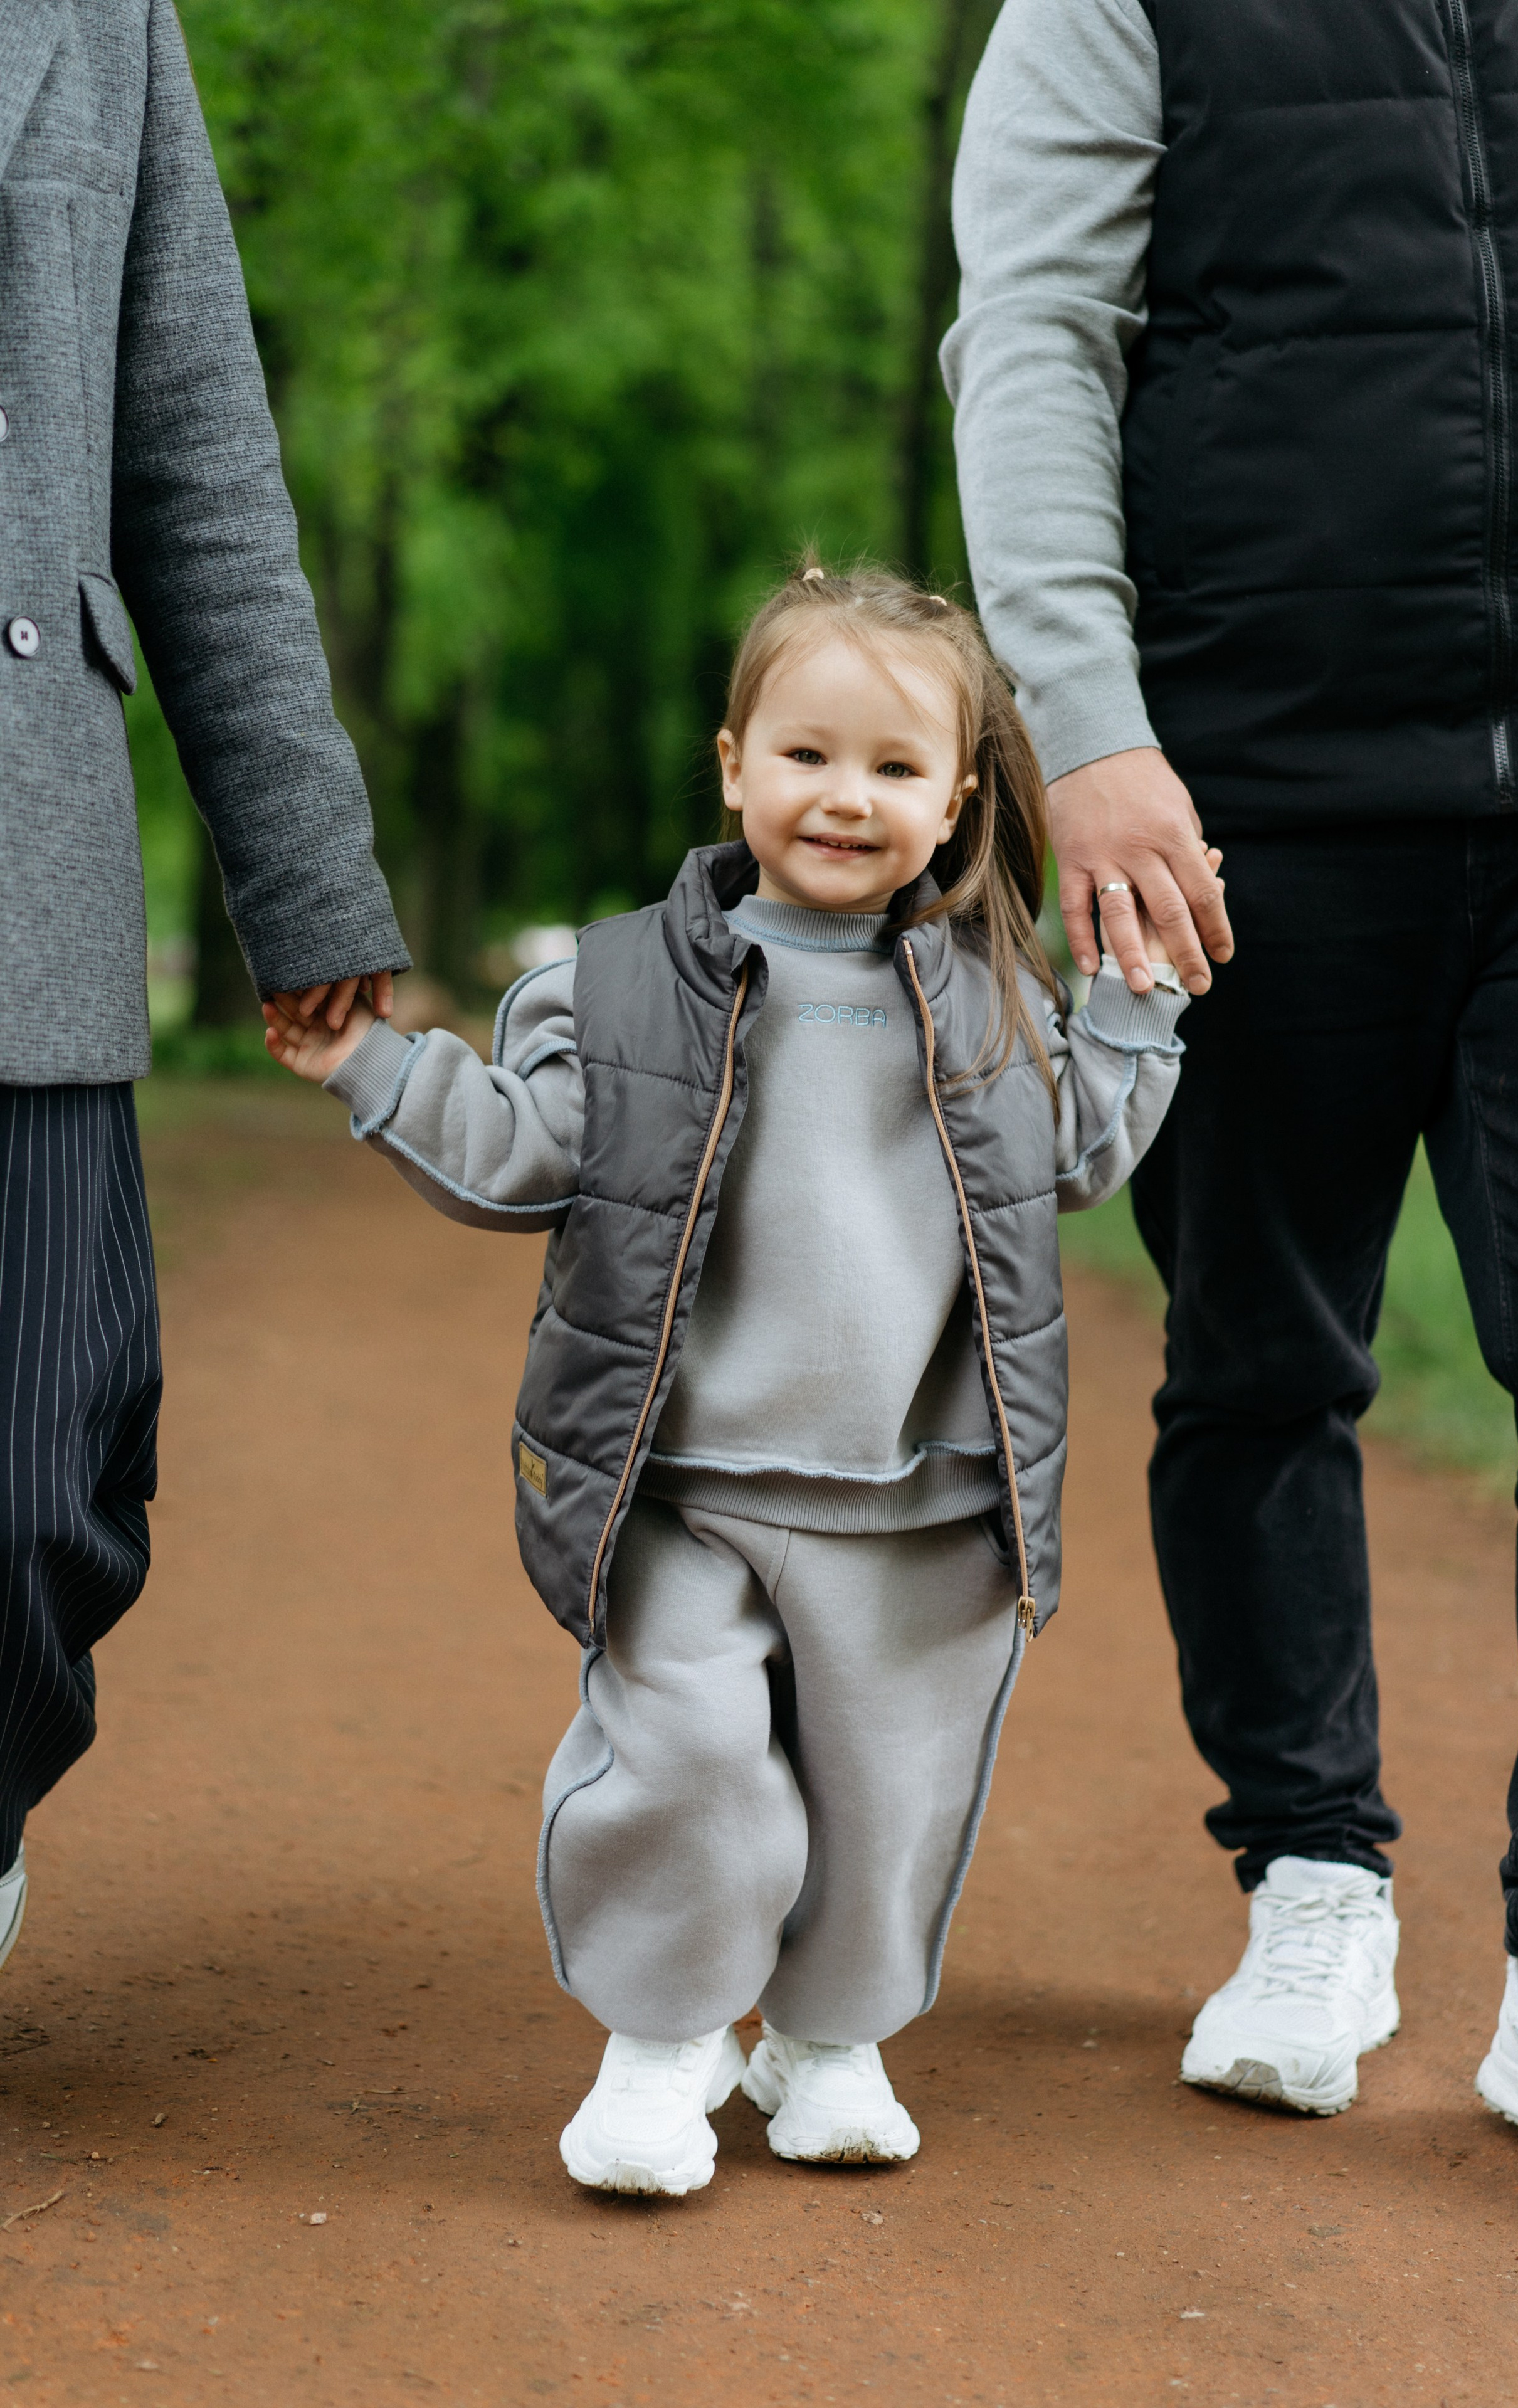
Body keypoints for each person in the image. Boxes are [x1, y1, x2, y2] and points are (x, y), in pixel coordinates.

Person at [265, 560, 1194, 2194]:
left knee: (885, 1792)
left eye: (896, 769)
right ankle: (660, 2043)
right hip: (686, 1492)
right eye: (809, 755)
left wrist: (1139, 996)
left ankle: (825, 2042)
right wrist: (374, 1060)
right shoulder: (614, 987)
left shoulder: (991, 996)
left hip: (920, 1505)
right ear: (733, 764)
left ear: (958, 796)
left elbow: (1083, 1156)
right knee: (689, 1758)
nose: (847, 797)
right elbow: (518, 1155)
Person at [943, 0, 1518, 2139]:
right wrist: (1091, 730)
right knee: (1258, 1357)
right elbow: (1033, 330)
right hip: (1241, 789)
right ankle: (1313, 1871)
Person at [0, 0, 406, 1976]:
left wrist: (304, 872)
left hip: (24, 861)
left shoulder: (102, 19)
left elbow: (197, 454)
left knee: (38, 1479)